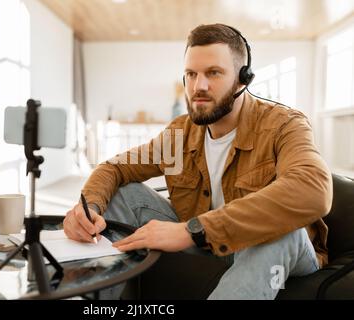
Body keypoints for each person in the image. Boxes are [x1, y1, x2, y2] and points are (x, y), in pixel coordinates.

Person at [63, 23, 333, 300]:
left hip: (269, 244)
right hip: (207, 243)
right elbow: (115, 167)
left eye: (213, 73)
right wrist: (88, 209)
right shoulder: (180, 134)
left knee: (282, 232)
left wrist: (197, 230)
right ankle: (94, 300)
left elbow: (313, 190)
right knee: (124, 193)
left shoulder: (284, 125)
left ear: (243, 78)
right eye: (191, 74)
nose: (198, 86)